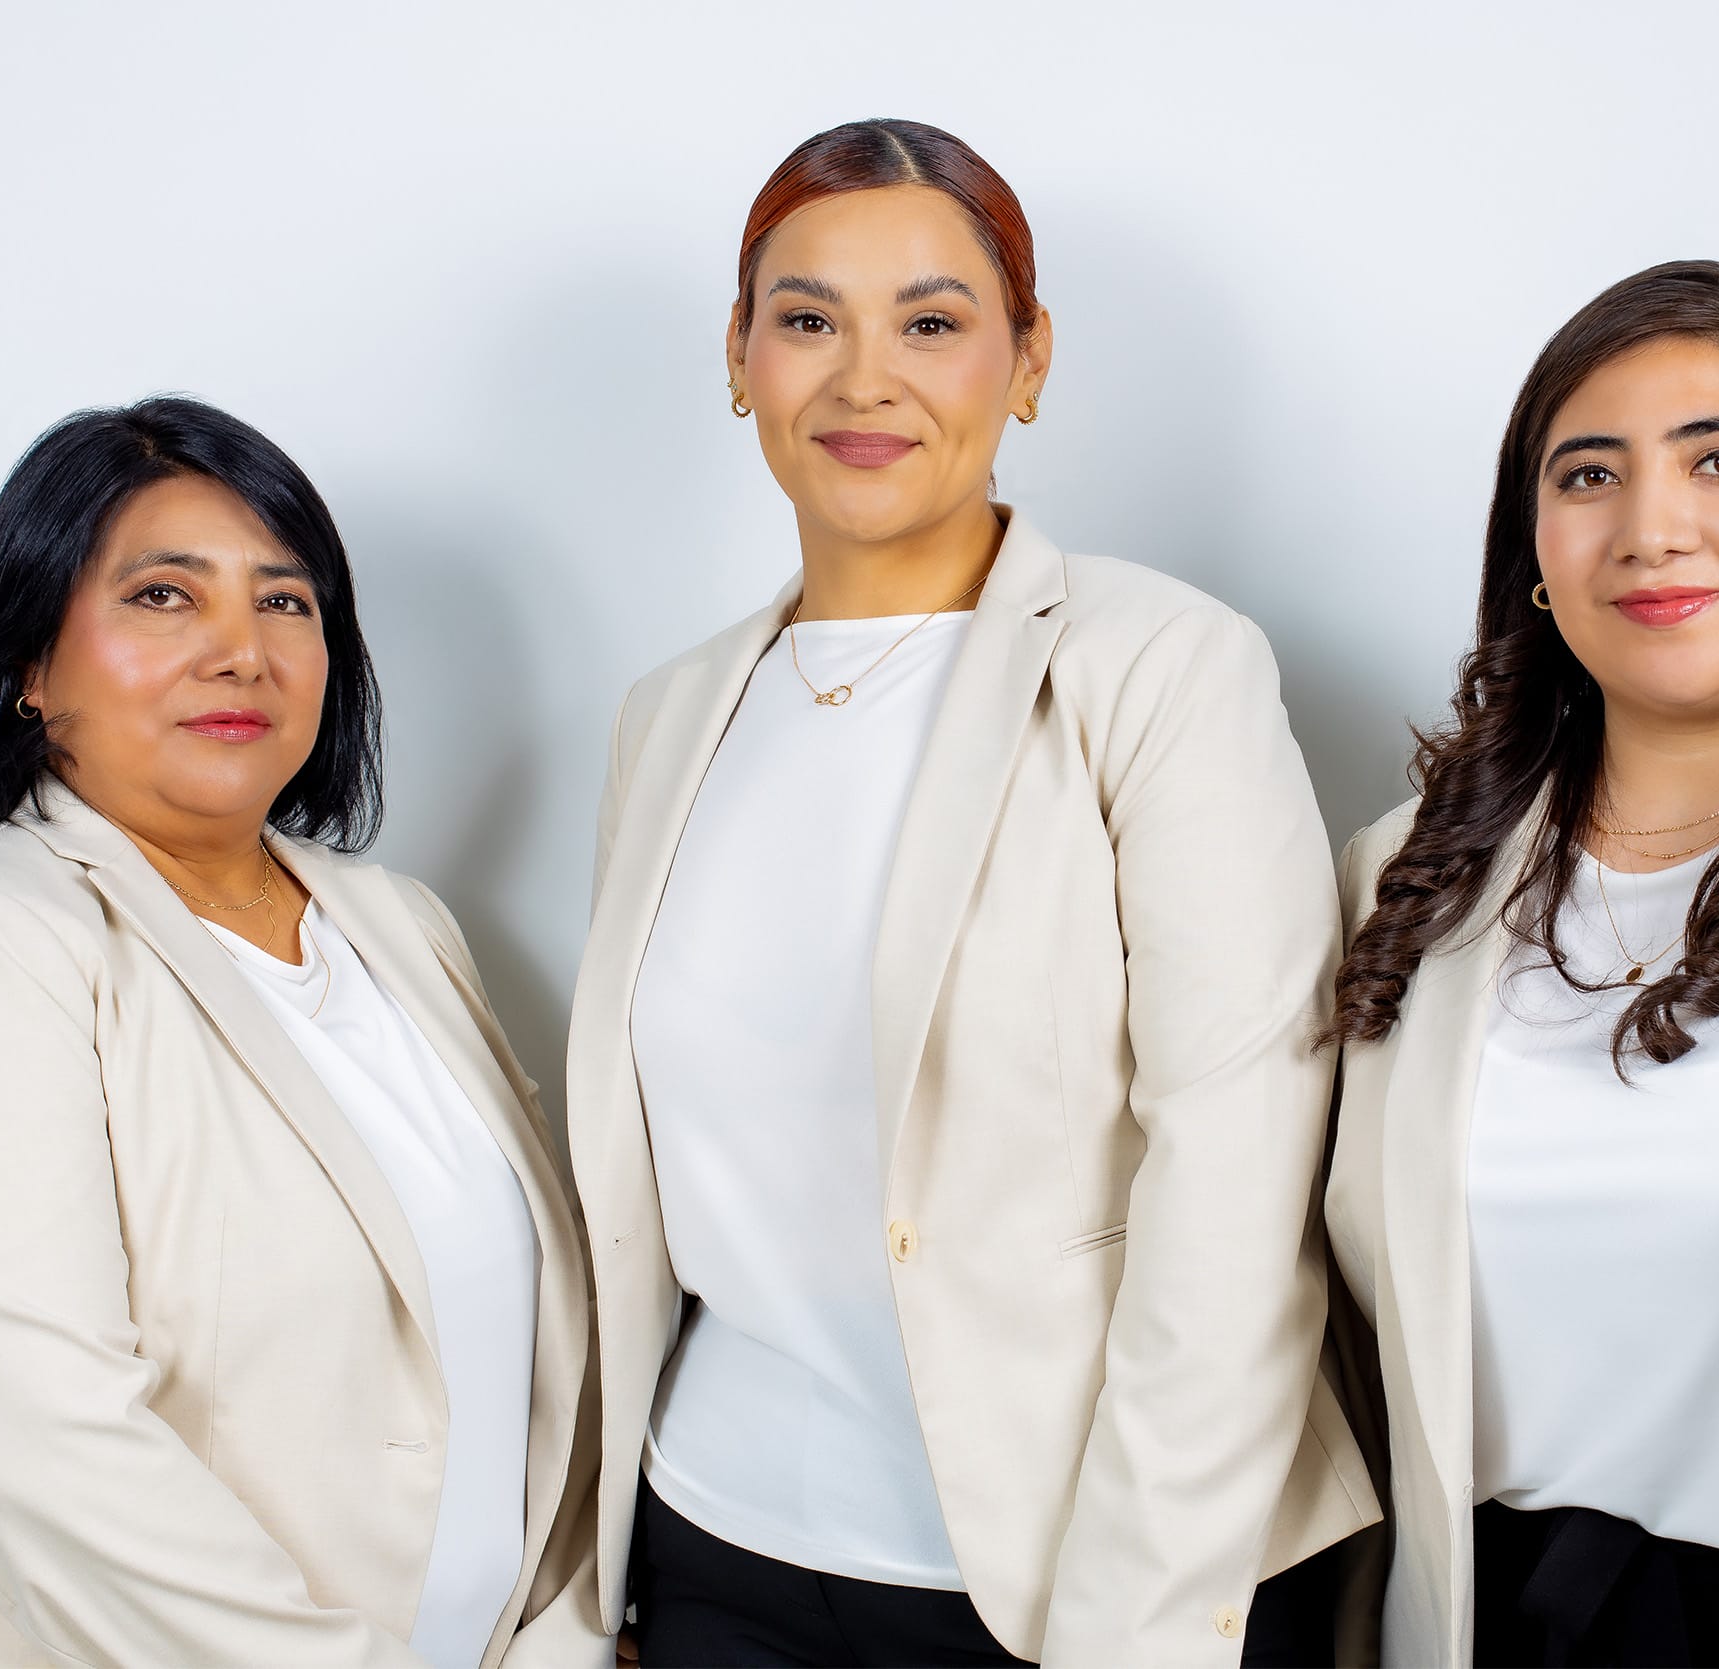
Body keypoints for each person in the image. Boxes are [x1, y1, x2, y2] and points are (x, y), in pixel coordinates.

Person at [566, 118, 1378, 1669]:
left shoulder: (1162, 669)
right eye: (807, 319)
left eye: (932, 323)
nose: (864, 377)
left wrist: (1132, 1628)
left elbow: (1236, 1174)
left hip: (1076, 1570)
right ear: (739, 355)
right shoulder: (668, 715)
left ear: (1028, 360)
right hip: (717, 1544)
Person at [0, 398, 600, 1669]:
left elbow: (549, 1359)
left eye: (286, 602)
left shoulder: (401, 926)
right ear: (31, 665)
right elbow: (41, 1432)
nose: (240, 651)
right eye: (163, 598)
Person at [1323, 260, 1719, 1666]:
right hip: (1474, 1617)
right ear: (1534, 539)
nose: (1653, 527)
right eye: (1590, 475)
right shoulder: (1404, 875)